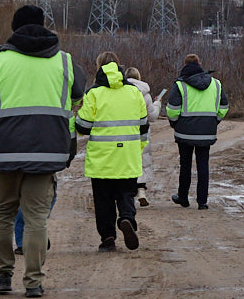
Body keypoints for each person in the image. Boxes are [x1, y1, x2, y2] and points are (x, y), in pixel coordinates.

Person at [0, 4, 86, 298]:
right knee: (36, 220)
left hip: (1, 154)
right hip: (46, 155)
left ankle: (2, 277)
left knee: (1, 216)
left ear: (13, 29)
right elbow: (77, 96)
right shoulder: (65, 62)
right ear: (44, 25)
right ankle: (33, 282)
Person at [75, 52, 149, 251]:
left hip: (102, 158)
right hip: (128, 155)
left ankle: (108, 238)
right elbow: (144, 127)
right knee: (126, 193)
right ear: (119, 66)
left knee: (103, 200)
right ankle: (127, 218)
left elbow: (83, 127)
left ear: (98, 67)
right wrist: (138, 149)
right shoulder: (134, 92)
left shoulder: (94, 93)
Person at [166, 53, 229, 210]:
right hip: (207, 131)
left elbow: (172, 109)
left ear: (185, 66)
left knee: (185, 165)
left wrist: (175, 123)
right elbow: (224, 106)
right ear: (200, 65)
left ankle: (183, 197)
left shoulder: (180, 85)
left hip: (184, 131)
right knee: (203, 165)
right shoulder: (216, 84)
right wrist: (214, 120)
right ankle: (202, 201)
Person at [123, 66, 162, 206]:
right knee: (142, 160)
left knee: (127, 161)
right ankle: (141, 191)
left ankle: (127, 193)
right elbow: (152, 116)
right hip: (142, 130)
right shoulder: (145, 94)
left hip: (125, 130)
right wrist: (157, 104)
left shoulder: (122, 92)